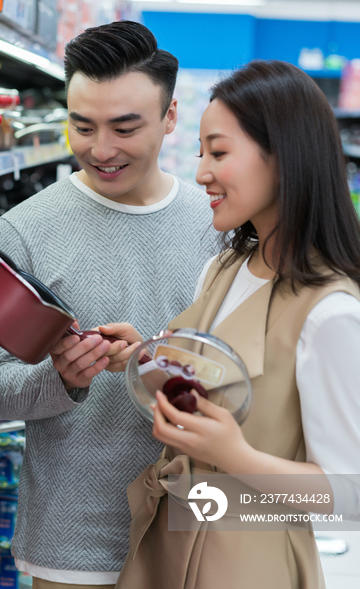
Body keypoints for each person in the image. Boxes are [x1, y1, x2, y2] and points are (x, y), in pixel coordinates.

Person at [81, 60, 360, 588]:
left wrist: (236, 456)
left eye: (220, 152)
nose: (202, 172)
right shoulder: (224, 266)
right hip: (170, 538)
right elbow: (219, 374)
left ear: (283, 158)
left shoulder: (330, 313)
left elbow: (350, 494)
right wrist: (148, 357)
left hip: (250, 565)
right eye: (201, 153)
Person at [0, 20, 217, 589]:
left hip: (195, 531)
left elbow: (244, 381)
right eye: (82, 127)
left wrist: (154, 364)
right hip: (72, 543)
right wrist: (60, 378)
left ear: (170, 118)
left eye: (125, 128)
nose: (100, 150)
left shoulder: (217, 226)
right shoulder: (25, 230)